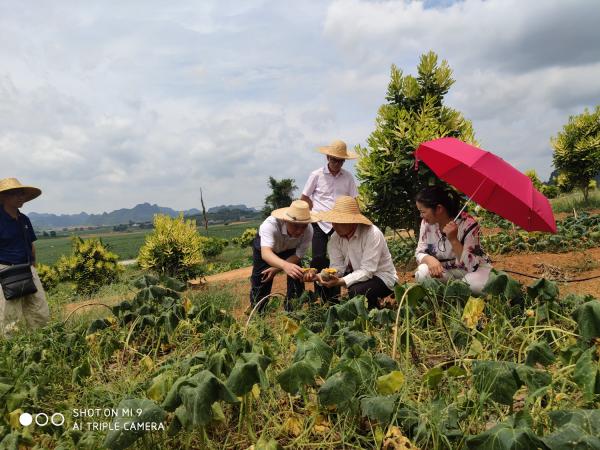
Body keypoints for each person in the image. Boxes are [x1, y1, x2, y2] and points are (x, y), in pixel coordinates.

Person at [310, 196, 398, 309]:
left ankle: (373, 311)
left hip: (382, 277)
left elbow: (368, 271)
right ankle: (331, 306)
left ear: (352, 221)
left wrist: (340, 281)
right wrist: (322, 276)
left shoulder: (372, 234)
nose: (334, 225)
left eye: (338, 222)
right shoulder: (335, 238)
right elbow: (337, 267)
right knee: (319, 263)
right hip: (357, 273)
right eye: (333, 221)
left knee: (356, 292)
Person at [301, 139, 359, 302]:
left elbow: (354, 201)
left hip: (339, 222)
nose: (337, 163)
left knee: (340, 259)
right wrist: (309, 216)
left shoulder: (348, 177)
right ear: (327, 157)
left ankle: (334, 297)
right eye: (334, 160)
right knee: (318, 258)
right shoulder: (316, 175)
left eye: (341, 161)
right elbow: (305, 198)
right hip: (319, 222)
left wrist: (356, 221)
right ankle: (321, 296)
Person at [414, 186, 492, 294]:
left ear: (439, 209)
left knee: (474, 285)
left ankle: (458, 292)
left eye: (423, 212)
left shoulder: (468, 224)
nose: (421, 216)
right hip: (446, 272)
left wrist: (454, 240)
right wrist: (428, 259)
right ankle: (451, 294)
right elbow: (419, 252)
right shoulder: (426, 224)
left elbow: (471, 266)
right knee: (422, 272)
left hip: (472, 271)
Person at [0, 178, 50, 334]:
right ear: (4, 197)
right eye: (15, 194)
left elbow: (31, 245)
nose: (20, 197)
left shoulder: (24, 219)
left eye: (21, 193)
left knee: (39, 309)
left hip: (27, 267)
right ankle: (10, 346)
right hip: (5, 270)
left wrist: (33, 265)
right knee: (9, 314)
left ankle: (40, 339)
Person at [250, 200, 317, 312]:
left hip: (289, 250)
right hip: (267, 248)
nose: (300, 231)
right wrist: (285, 265)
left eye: (303, 226)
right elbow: (266, 253)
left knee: (296, 275)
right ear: (286, 220)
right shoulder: (270, 225)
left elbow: (298, 255)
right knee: (261, 279)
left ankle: (293, 311)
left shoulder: (309, 230)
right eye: (296, 226)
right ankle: (258, 312)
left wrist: (277, 268)